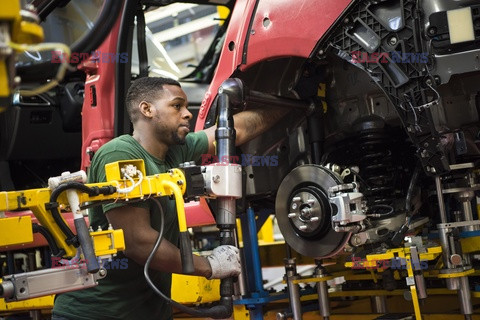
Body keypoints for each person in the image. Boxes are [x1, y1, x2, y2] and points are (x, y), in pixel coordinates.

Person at [52, 77, 287, 320]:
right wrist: (209, 266)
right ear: (147, 109)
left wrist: (287, 106)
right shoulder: (120, 153)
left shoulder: (176, 150)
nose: (187, 114)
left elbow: (232, 132)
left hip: (147, 312)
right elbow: (138, 241)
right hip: (94, 313)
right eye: (177, 106)